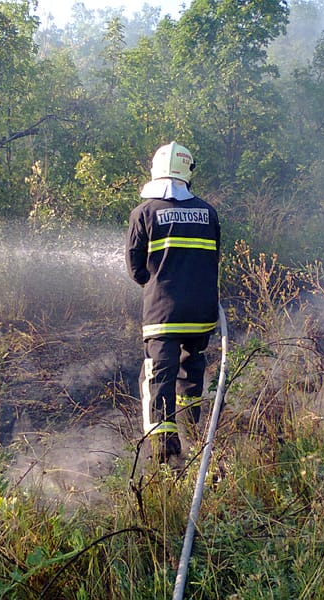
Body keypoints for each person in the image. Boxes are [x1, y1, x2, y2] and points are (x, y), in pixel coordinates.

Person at [125, 141, 221, 462]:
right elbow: (212, 260)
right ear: (186, 173)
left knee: (157, 379)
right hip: (202, 316)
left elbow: (136, 270)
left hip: (163, 316)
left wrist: (160, 285)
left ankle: (165, 458)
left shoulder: (144, 213)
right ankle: (195, 438)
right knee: (190, 376)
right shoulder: (208, 213)